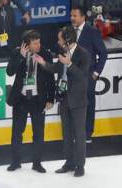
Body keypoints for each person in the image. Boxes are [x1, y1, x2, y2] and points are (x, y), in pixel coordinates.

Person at [6, 30, 55, 172]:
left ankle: (37, 163)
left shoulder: (45, 54)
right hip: (21, 99)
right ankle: (15, 162)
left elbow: (50, 78)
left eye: (39, 42)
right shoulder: (17, 53)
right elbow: (9, 72)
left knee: (38, 133)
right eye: (35, 43)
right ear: (26, 45)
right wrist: (20, 57)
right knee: (17, 132)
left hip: (38, 99)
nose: (39, 45)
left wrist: (50, 99)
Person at [55, 24, 91, 177]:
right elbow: (56, 68)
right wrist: (42, 63)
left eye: (60, 39)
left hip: (78, 101)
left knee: (79, 134)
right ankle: (69, 162)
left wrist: (69, 64)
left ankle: (80, 165)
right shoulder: (63, 52)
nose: (58, 42)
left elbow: (82, 76)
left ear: (67, 40)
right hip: (64, 99)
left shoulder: (83, 54)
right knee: (67, 133)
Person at [70, 4, 107, 141]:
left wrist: (96, 73)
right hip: (72, 75)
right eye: (71, 16)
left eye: (75, 16)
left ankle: (87, 134)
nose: (72, 18)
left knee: (88, 103)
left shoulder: (92, 31)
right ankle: (75, 133)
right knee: (73, 104)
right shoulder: (69, 31)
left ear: (83, 17)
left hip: (87, 75)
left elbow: (103, 53)